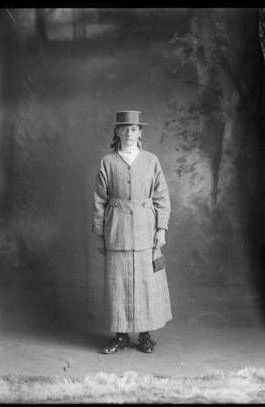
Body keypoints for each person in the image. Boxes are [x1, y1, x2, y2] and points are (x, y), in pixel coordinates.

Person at [92, 110, 172, 354]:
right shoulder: (108, 162)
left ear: (140, 133)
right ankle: (120, 336)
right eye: (124, 128)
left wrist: (161, 229)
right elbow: (98, 201)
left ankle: (145, 335)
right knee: (118, 284)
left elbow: (162, 197)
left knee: (147, 283)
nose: (129, 133)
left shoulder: (151, 161)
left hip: (146, 231)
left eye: (134, 128)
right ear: (117, 131)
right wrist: (99, 234)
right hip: (116, 231)